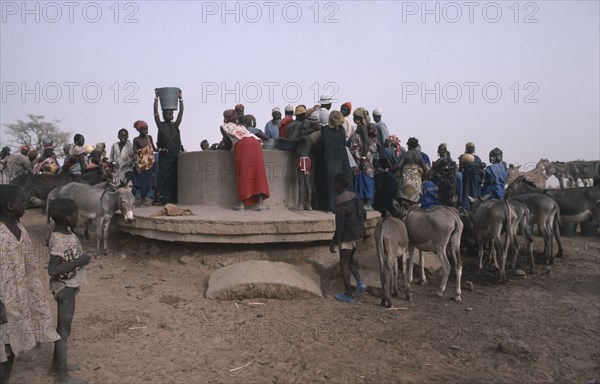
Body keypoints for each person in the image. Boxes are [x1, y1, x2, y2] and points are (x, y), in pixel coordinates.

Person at [0, 185, 61, 384]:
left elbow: (29, 267)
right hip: (3, 302)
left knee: (11, 347)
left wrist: (35, 295)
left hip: (18, 301)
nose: (26, 205)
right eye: (22, 202)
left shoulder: (21, 231)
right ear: (10, 206)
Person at [47, 198, 90, 384]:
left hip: (68, 286)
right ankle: (62, 377)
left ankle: (56, 367)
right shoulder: (58, 239)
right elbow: (53, 269)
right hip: (65, 288)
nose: (78, 217)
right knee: (64, 331)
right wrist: (80, 261)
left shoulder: (66, 234)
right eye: (75, 214)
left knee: (61, 329)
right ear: (67, 218)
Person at [219, 109, 270, 211]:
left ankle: (241, 204)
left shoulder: (224, 126)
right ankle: (261, 205)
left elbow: (228, 143)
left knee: (243, 173)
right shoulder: (242, 126)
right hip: (256, 144)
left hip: (242, 145)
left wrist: (221, 147)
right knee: (258, 173)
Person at [329, 173, 367, 304]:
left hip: (347, 237)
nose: (333, 186)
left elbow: (340, 226)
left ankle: (348, 294)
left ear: (339, 184)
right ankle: (360, 283)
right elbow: (364, 213)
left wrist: (334, 242)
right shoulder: (355, 196)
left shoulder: (339, 200)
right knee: (350, 260)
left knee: (343, 263)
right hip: (359, 234)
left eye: (335, 183)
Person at [315, 110, 353, 212]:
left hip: (329, 161)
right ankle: (337, 206)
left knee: (329, 185)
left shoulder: (325, 129)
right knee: (338, 186)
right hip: (339, 163)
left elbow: (321, 144)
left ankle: (330, 207)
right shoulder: (341, 131)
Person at [154, 88, 184, 204]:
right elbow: (155, 112)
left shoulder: (175, 126)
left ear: (172, 115)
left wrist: (180, 99)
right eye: (166, 113)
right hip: (164, 158)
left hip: (174, 157)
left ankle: (173, 198)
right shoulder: (160, 126)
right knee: (164, 179)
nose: (168, 115)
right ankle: (164, 198)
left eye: (170, 114)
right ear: (163, 115)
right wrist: (156, 98)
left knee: (174, 178)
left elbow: (181, 113)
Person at [351, 109, 377, 211]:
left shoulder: (362, 127)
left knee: (364, 179)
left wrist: (362, 159)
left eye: (356, 117)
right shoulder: (360, 127)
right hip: (361, 158)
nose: (354, 119)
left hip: (362, 159)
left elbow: (365, 143)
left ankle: (366, 203)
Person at [391, 137, 428, 205]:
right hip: (416, 183)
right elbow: (425, 169)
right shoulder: (419, 156)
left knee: (402, 203)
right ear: (416, 146)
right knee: (414, 204)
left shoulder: (405, 154)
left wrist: (389, 170)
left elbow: (398, 166)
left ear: (408, 145)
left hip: (405, 182)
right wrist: (422, 179)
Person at [132, 120, 158, 206]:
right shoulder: (136, 140)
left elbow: (154, 148)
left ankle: (148, 199)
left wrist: (161, 149)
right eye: (143, 130)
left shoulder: (149, 138)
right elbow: (135, 153)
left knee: (149, 182)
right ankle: (140, 199)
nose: (145, 131)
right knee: (140, 183)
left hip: (150, 164)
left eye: (146, 129)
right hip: (140, 165)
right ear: (139, 130)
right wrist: (136, 165)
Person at [458, 142, 485, 210]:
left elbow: (480, 169)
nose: (471, 149)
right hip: (466, 179)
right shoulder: (462, 157)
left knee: (475, 195)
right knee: (466, 195)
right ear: (466, 148)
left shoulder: (477, 159)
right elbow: (460, 169)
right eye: (470, 148)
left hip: (475, 180)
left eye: (473, 148)